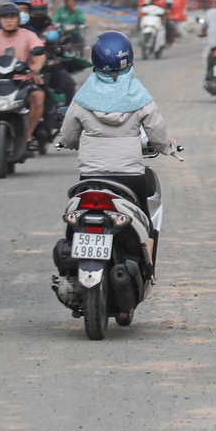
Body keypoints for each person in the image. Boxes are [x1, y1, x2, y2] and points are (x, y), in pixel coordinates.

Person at [59, 32, 176, 266]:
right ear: (129, 58)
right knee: (145, 223)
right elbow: (157, 135)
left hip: (91, 177)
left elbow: (68, 136)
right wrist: (168, 147)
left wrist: (71, 143)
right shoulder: (139, 96)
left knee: (77, 219)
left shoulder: (83, 97)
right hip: (130, 177)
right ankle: (147, 269)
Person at [0, 3, 46, 149]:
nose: (9, 20)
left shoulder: (28, 35)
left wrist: (37, 65)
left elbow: (40, 52)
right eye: (5, 17)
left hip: (21, 81)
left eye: (12, 17)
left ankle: (28, 136)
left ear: (18, 19)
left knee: (39, 96)